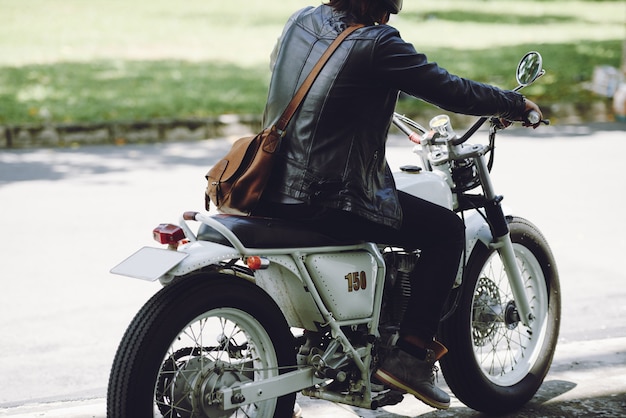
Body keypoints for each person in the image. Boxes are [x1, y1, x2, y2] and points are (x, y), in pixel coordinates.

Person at [252, 0, 543, 411]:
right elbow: (448, 88)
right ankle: (409, 355)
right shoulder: (378, 43)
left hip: (270, 187)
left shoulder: (302, 18)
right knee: (445, 231)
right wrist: (513, 103)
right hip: (331, 197)